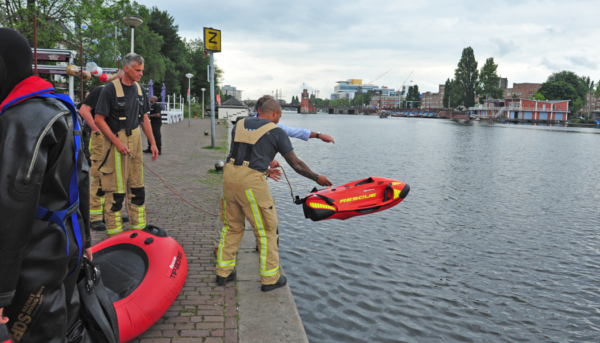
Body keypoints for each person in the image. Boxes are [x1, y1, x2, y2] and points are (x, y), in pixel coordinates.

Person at [0, 28, 93, 342]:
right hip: (66, 241)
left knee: (37, 333)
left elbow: (12, 207)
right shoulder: (60, 107)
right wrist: (87, 241)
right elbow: (81, 179)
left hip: (35, 256)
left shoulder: (21, 119)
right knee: (67, 322)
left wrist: (2, 292)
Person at [216, 99, 332, 292]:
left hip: (229, 177)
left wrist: (267, 164)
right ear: (275, 114)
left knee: (232, 227)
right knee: (267, 230)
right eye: (279, 117)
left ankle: (223, 272)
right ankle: (270, 279)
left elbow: (245, 151)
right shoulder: (277, 131)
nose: (278, 121)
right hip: (251, 183)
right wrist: (316, 177)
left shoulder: (239, 124)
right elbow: (296, 164)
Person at [95, 52, 158, 236]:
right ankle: (114, 234)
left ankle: (138, 231)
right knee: (115, 190)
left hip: (136, 138)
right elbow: (99, 119)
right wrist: (116, 142)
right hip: (117, 141)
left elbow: (144, 118)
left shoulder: (140, 90)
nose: (141, 74)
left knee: (137, 186)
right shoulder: (110, 89)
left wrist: (153, 143)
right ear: (127, 68)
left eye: (142, 70)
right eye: (137, 70)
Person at [79, 81, 129, 232]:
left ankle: (109, 213)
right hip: (101, 137)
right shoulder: (101, 90)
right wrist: (97, 129)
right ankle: (94, 217)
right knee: (99, 176)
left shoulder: (124, 93)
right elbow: (83, 110)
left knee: (113, 176)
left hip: (116, 136)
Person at [253, 95, 335, 143]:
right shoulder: (247, 125)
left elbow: (296, 132)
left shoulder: (275, 125)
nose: (277, 120)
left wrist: (319, 135)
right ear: (260, 110)